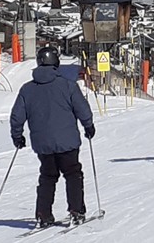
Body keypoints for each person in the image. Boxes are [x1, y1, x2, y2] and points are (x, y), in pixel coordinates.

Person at [9, 44, 97, 228]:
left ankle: (43, 213)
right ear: (56, 63)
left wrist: (17, 136)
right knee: (72, 174)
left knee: (48, 176)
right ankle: (76, 210)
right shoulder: (68, 85)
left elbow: (17, 116)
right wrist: (88, 126)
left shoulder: (27, 89)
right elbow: (82, 108)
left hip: (43, 144)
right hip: (68, 141)